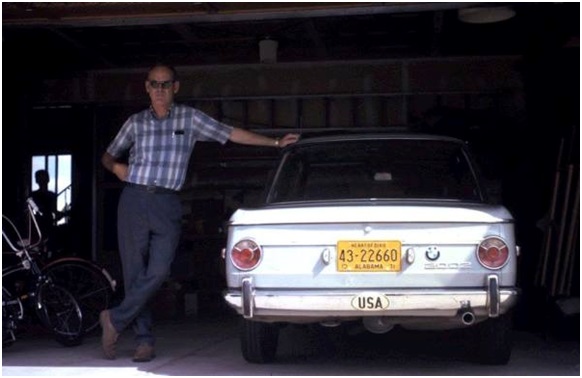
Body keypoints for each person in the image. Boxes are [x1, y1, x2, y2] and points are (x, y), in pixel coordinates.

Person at [99, 63, 299, 362]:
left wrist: (274, 143)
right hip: (134, 200)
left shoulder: (190, 119)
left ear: (176, 87)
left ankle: (114, 319)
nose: (160, 90)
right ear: (147, 88)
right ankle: (144, 339)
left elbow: (230, 133)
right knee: (135, 273)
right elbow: (107, 155)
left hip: (167, 202)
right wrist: (116, 168)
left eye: (166, 84)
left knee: (159, 271)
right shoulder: (136, 123)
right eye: (154, 84)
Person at [30, 169, 58, 243]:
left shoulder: (51, 195)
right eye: (40, 178)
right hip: (37, 223)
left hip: (46, 222)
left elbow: (54, 210)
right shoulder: (33, 195)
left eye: (43, 178)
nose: (42, 180)